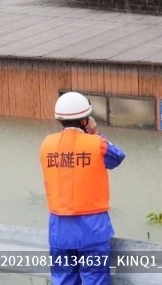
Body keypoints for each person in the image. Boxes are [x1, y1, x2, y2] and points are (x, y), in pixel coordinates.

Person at [39, 91, 126, 285]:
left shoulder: (46, 144)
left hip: (59, 229)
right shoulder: (97, 144)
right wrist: (95, 134)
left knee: (63, 280)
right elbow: (117, 157)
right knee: (94, 280)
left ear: (59, 119)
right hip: (93, 228)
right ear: (86, 120)